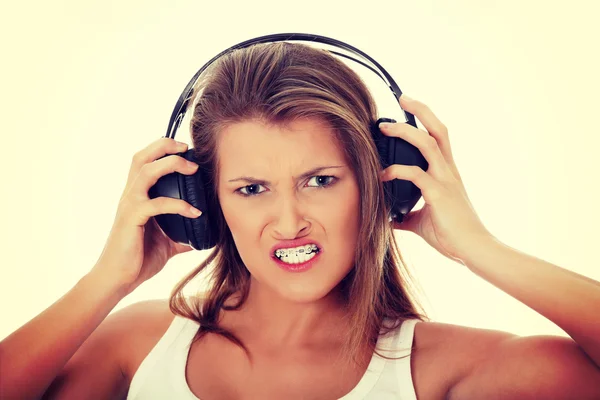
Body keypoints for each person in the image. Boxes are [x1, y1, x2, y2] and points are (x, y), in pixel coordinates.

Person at [1, 41, 599, 400]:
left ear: (381, 184)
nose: (289, 222)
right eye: (252, 188)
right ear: (204, 204)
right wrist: (105, 281)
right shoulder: (140, 343)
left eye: (320, 180)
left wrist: (479, 247)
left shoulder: (443, 368)